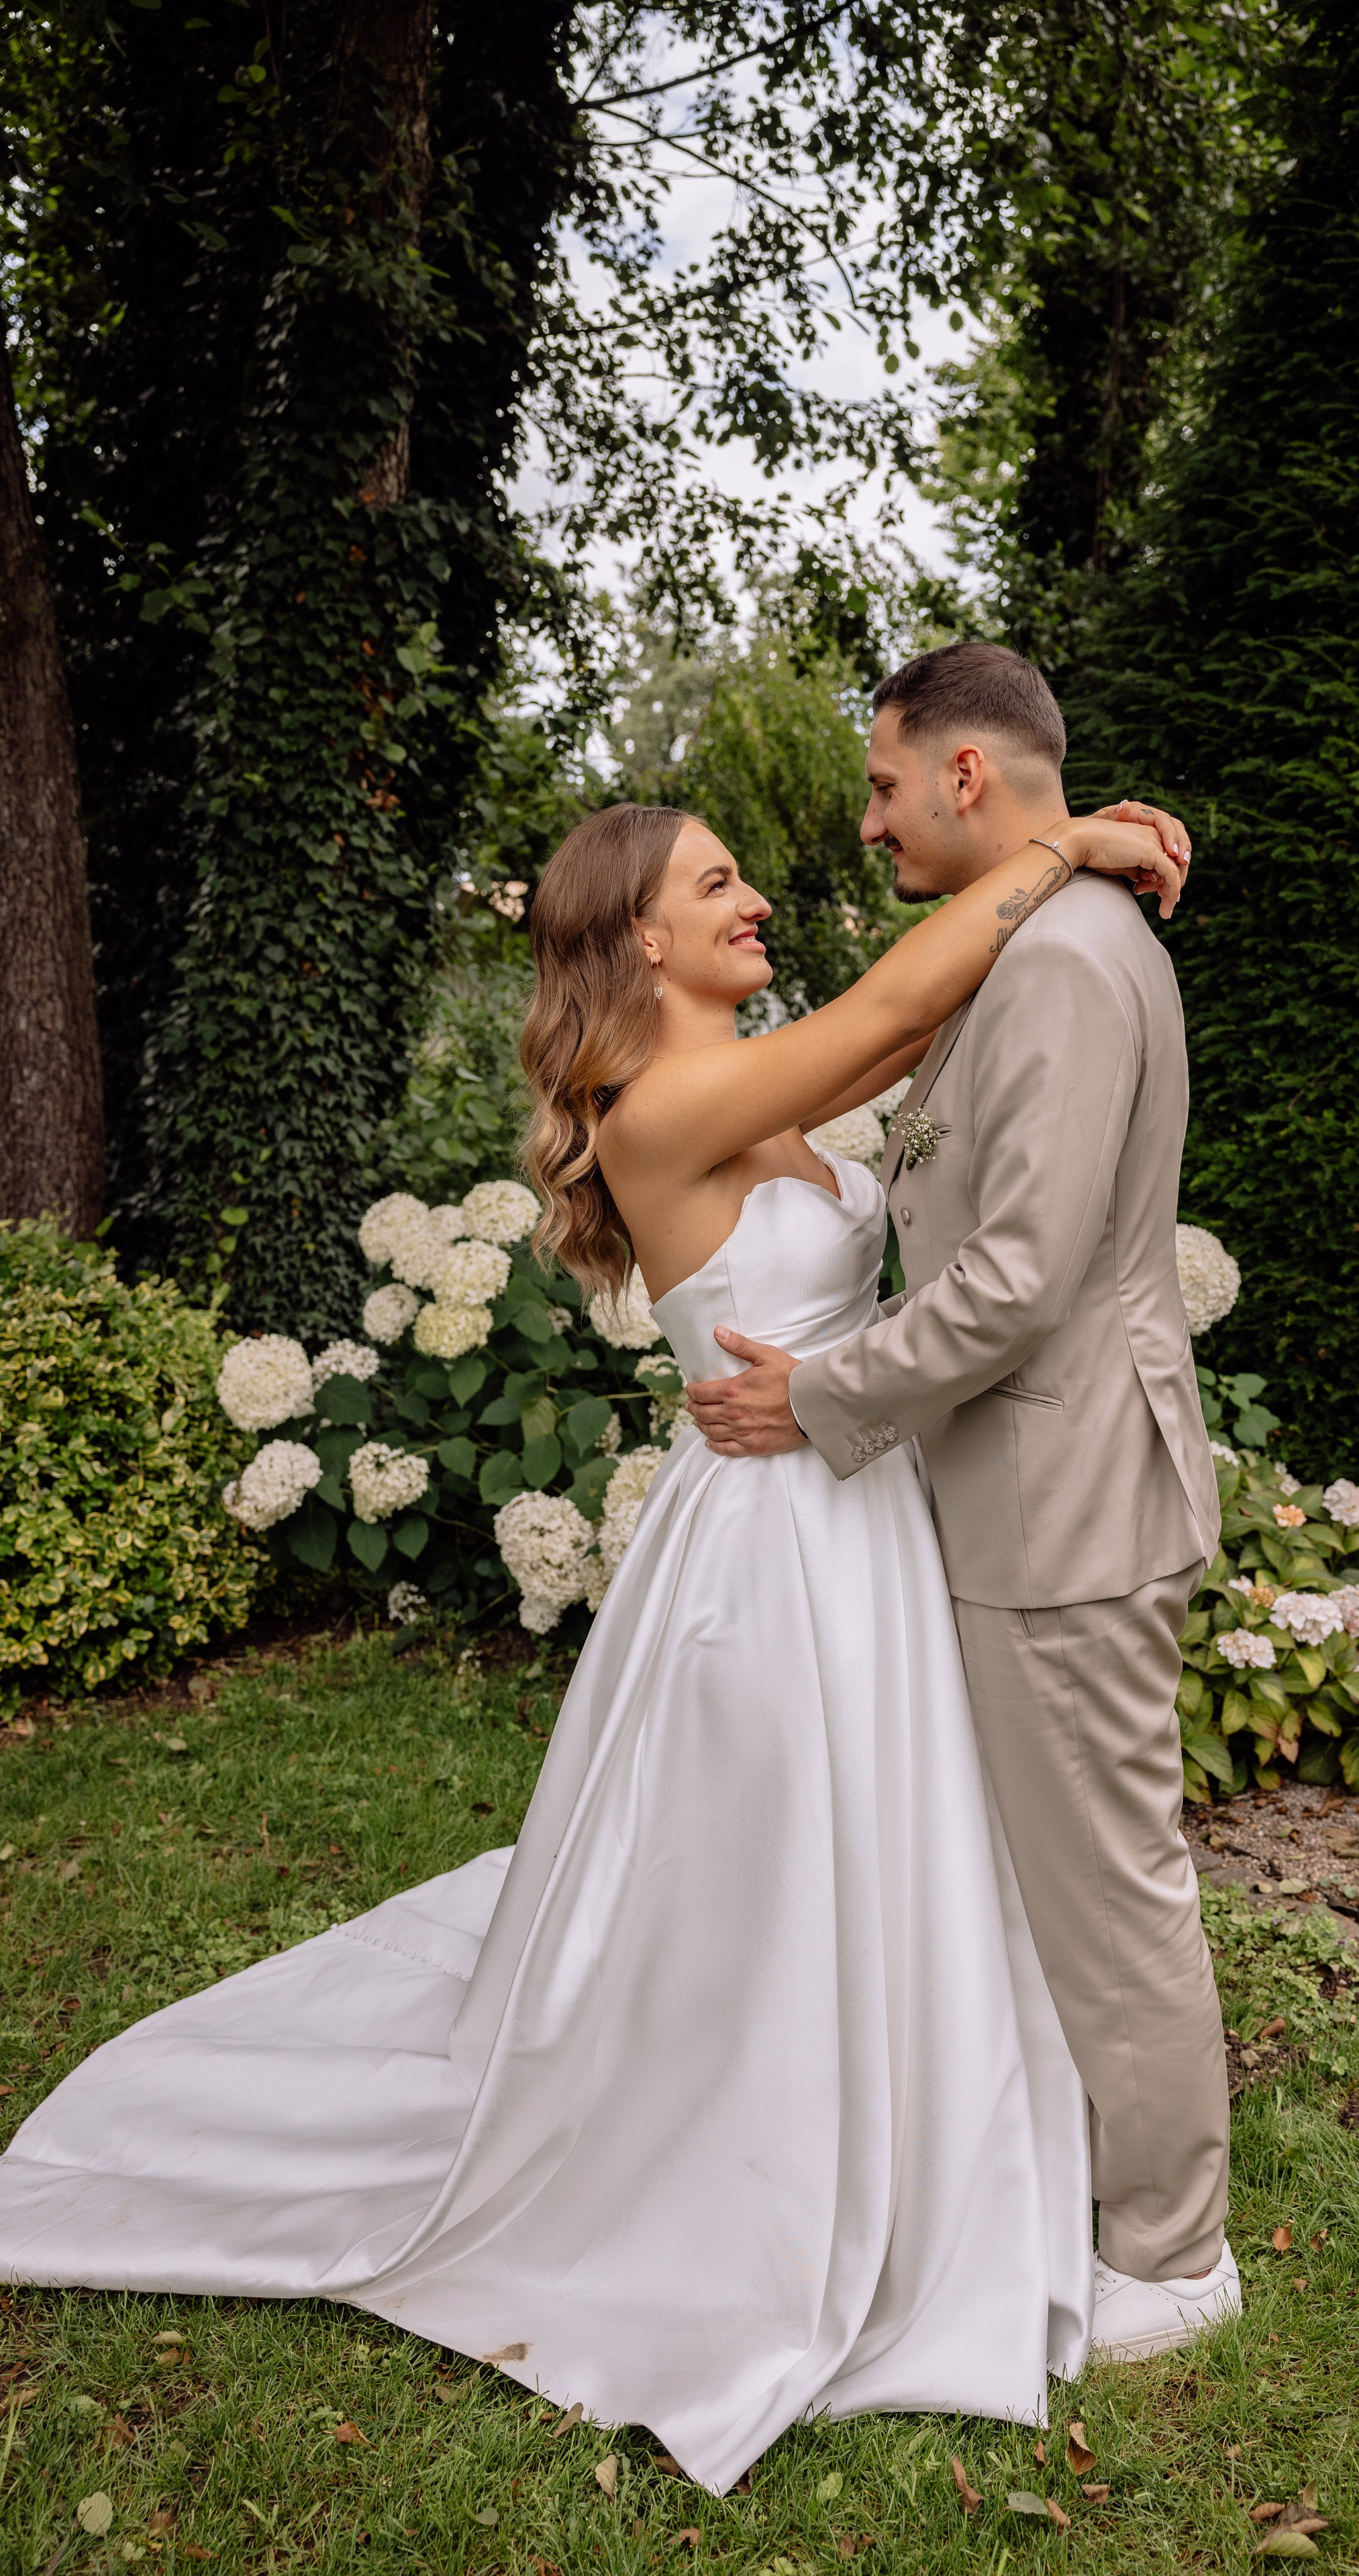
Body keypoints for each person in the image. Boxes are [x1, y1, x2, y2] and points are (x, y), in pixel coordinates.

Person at [0, 787, 1180, 2495]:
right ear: (636, 931)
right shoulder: (661, 1103)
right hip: (775, 1539)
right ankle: (769, 2153)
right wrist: (1061, 848)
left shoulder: (749, 1074)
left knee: (893, 1834)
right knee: (786, 1856)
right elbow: (888, 1011)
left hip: (854, 1500)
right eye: (719, 881)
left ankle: (930, 2128)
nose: (761, 893)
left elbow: (906, 1036)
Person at [687, 640, 1239, 2361]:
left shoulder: (1068, 964)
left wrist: (821, 1394)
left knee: (1105, 1877)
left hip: (1063, 1484)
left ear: (968, 777)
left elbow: (1013, 1278)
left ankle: (1171, 2248)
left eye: (879, 784)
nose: (866, 820)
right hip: (1032, 1473)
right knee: (1056, 1867)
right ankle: (1077, 2166)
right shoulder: (1041, 934)